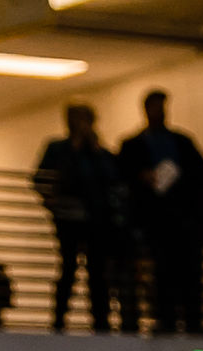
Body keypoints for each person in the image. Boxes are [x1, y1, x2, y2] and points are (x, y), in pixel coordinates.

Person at [118, 91, 203, 336]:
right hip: (157, 222)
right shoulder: (134, 146)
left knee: (190, 274)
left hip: (183, 221)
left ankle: (192, 319)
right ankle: (168, 318)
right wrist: (143, 177)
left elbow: (202, 175)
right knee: (164, 273)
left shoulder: (181, 142)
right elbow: (123, 176)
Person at [36, 103, 136, 336]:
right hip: (68, 218)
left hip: (97, 221)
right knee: (69, 267)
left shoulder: (100, 155)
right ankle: (59, 320)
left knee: (98, 271)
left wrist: (94, 148)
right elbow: (43, 178)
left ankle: (100, 321)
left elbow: (115, 180)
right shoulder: (58, 149)